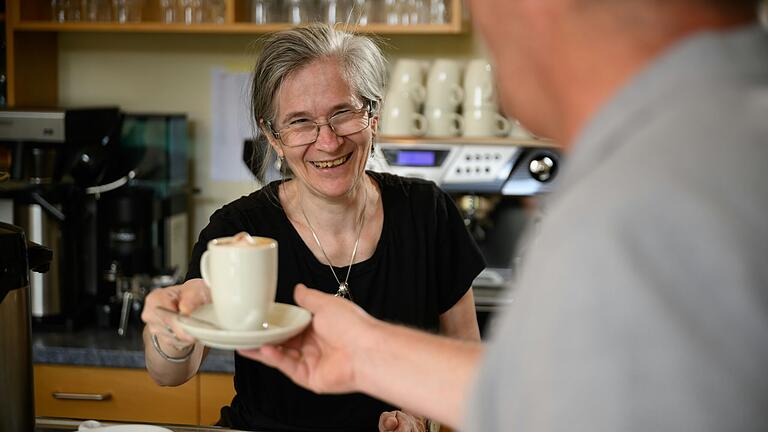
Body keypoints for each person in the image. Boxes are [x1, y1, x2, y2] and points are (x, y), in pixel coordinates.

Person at [241, 1, 768, 431]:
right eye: (301, 124)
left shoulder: (631, 211)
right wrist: (366, 354)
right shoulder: (727, 136)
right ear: (274, 135)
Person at [140, 25, 484, 432]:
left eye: (343, 113)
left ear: (372, 115)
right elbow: (171, 374)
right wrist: (171, 333)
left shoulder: (427, 213)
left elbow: (470, 368)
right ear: (274, 136)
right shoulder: (238, 230)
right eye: (300, 122)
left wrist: (423, 416)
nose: (327, 141)